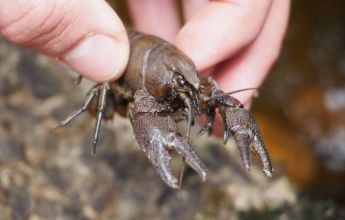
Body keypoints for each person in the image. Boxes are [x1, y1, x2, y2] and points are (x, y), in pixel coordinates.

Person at [0, 0, 290, 131]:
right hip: (116, 80)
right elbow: (141, 104)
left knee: (207, 91)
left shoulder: (186, 79)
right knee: (103, 94)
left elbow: (207, 87)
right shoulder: (142, 96)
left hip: (150, 55)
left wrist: (212, 101)